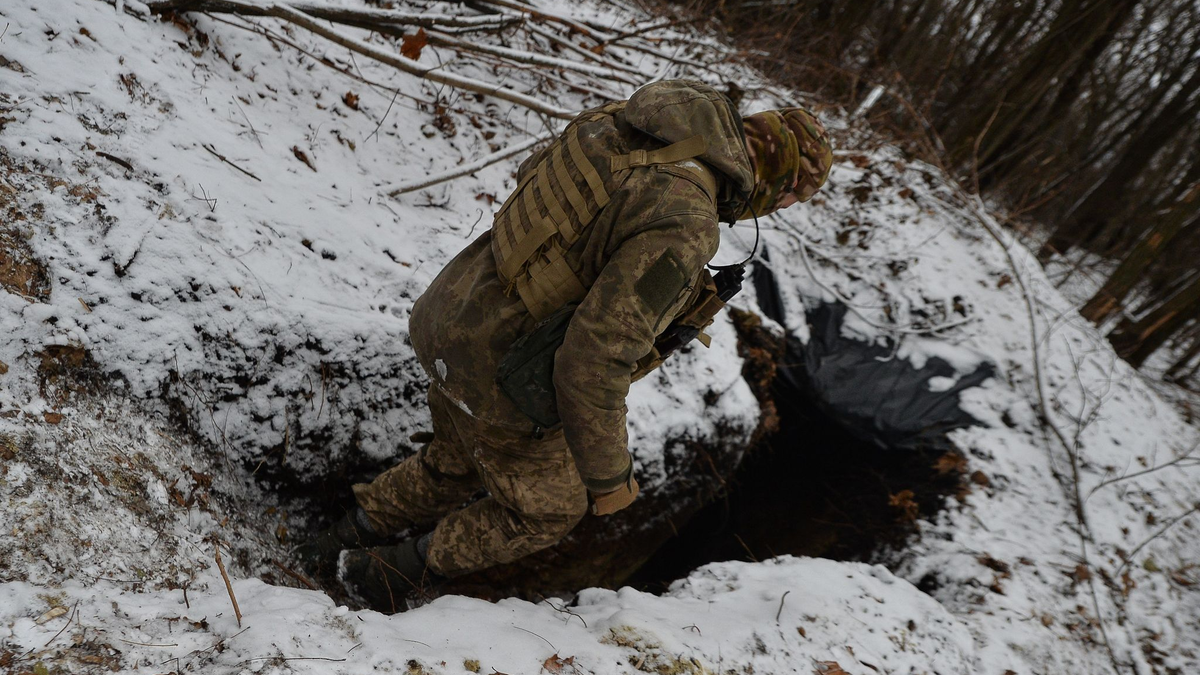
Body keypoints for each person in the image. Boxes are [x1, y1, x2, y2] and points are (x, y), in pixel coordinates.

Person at [296, 80, 832, 611]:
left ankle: (333, 541)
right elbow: (594, 360)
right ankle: (375, 576)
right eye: (787, 199)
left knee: (453, 460)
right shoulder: (686, 220)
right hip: (500, 370)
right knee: (547, 510)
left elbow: (539, 188)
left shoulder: (631, 122)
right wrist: (610, 478)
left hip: (454, 310)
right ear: (778, 186)